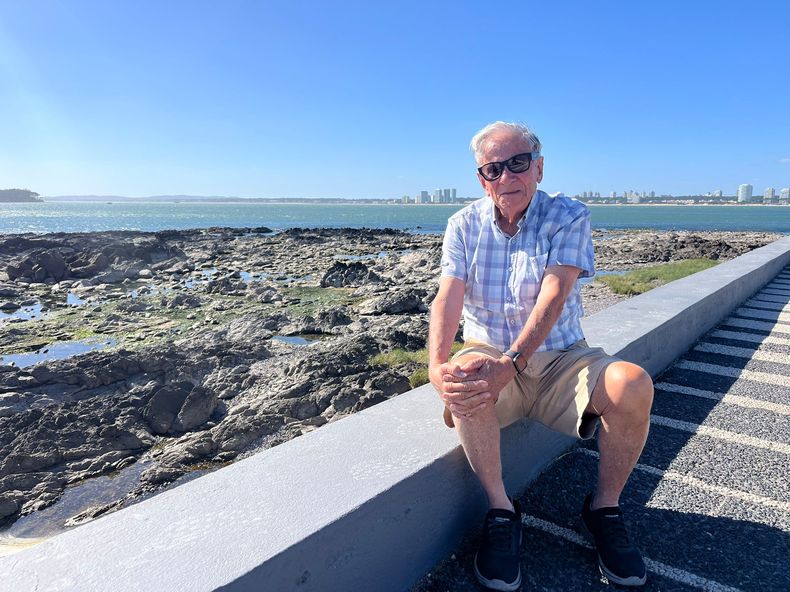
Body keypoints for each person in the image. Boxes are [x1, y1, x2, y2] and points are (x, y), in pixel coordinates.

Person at [428, 121, 654, 590]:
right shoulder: (463, 224)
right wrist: (436, 366)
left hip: (562, 358)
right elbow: (448, 296)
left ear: (539, 167)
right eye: (493, 168)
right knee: (465, 375)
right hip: (489, 349)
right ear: (481, 179)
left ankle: (604, 509)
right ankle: (501, 509)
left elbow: (555, 292)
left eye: (518, 163)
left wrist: (512, 363)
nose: (507, 176)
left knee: (632, 384)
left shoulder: (568, 215)